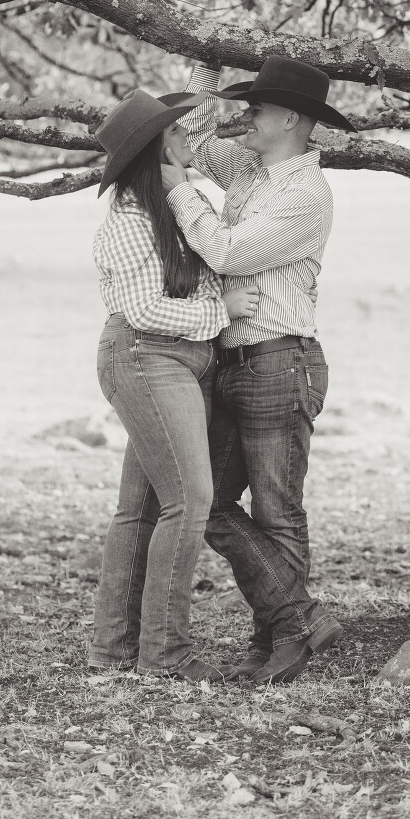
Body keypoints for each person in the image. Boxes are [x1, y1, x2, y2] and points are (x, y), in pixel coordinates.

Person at [162, 56, 354, 684]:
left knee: (276, 512)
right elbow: (192, 137)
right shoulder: (250, 169)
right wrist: (201, 80)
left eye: (258, 108)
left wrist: (179, 190)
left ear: (291, 120)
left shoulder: (306, 194)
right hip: (231, 359)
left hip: (280, 359)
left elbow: (226, 251)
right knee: (210, 501)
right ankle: (298, 619)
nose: (246, 115)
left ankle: (278, 638)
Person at [88, 89, 259, 681]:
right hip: (146, 356)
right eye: (178, 133)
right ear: (156, 151)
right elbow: (144, 309)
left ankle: (115, 649)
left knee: (141, 508)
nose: (191, 138)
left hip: (178, 360)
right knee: (191, 501)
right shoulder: (131, 222)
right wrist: (221, 312)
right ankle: (165, 652)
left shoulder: (177, 207)